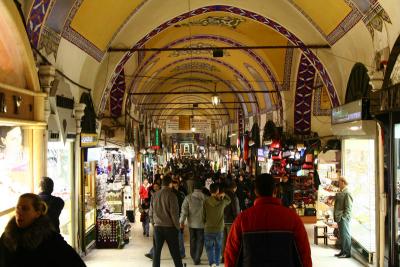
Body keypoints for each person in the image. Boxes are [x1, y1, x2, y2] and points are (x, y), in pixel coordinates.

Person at [224, 173, 312, 267]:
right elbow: (304, 255)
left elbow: (231, 256)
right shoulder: (293, 219)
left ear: (256, 192)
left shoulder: (242, 220)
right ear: (275, 191)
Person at [0, 193, 86, 267]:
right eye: (17, 208)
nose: (19, 212)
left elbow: (75, 263)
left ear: (37, 213)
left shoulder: (50, 239)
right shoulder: (7, 236)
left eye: (25, 208)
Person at [149, 176, 183, 267]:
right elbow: (174, 214)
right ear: (170, 184)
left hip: (157, 227)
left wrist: (153, 223)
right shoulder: (172, 195)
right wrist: (177, 227)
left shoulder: (155, 195)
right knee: (175, 252)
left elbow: (151, 212)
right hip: (170, 228)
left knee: (156, 252)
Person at [180, 179, 208, 265]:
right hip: (202, 224)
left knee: (192, 240)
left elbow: (184, 211)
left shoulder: (188, 197)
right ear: (202, 187)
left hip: (192, 223)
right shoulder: (206, 198)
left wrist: (181, 222)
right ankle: (197, 257)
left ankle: (193, 256)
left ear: (193, 188)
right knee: (200, 240)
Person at [203, 183, 231, 267]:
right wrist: (224, 194)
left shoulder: (205, 202)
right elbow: (229, 200)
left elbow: (203, 215)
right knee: (218, 247)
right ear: (218, 191)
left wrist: (205, 224)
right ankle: (217, 263)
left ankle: (212, 263)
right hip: (219, 229)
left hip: (208, 228)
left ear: (210, 190)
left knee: (209, 247)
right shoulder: (222, 202)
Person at [333, 176, 353, 258]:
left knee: (345, 235)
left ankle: (347, 253)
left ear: (343, 182)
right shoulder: (341, 191)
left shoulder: (347, 193)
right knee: (342, 235)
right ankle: (343, 251)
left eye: (339, 182)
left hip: (343, 217)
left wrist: (344, 217)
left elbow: (348, 207)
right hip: (339, 217)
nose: (338, 183)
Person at [221, 181, 240, 263]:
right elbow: (236, 209)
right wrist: (237, 220)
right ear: (234, 188)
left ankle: (223, 257)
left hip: (221, 221)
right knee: (230, 241)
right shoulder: (233, 196)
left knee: (223, 240)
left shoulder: (222, 194)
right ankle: (229, 258)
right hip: (230, 221)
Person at [172, 179, 186, 259]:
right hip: (178, 217)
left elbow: (182, 207)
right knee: (179, 235)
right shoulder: (180, 194)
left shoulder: (179, 194)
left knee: (179, 235)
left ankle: (181, 252)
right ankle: (181, 252)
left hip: (176, 217)